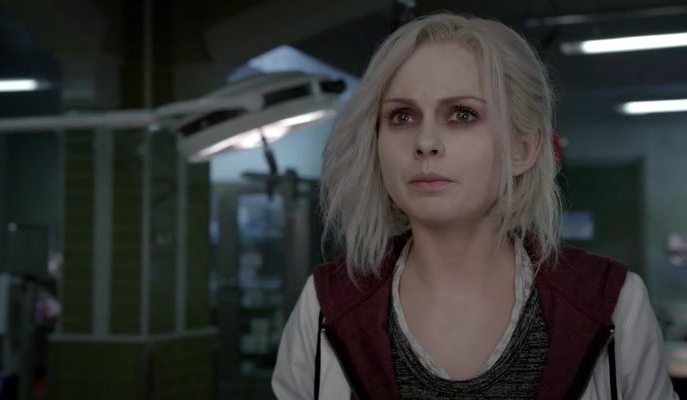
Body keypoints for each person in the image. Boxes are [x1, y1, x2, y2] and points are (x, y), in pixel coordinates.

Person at [272, 12, 678, 399]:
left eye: (462, 115)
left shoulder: (610, 302)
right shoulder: (327, 306)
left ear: (523, 149)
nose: (425, 142)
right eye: (402, 117)